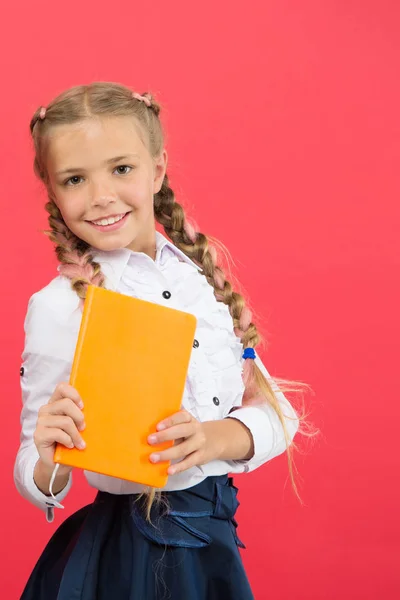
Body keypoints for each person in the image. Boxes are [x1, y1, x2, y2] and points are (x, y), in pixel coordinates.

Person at [14, 82, 308, 599]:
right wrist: (49, 456)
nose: (101, 195)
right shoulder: (60, 305)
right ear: (54, 191)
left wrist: (215, 438)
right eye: (75, 178)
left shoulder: (200, 278)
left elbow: (278, 412)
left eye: (121, 168)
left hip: (211, 540)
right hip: (133, 556)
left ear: (158, 169)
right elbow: (34, 468)